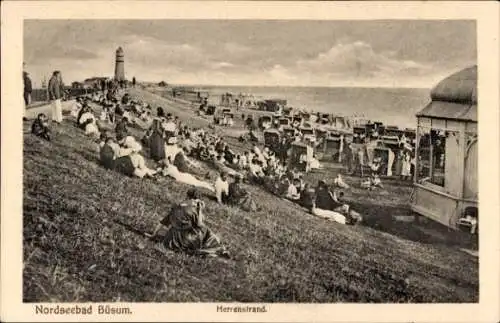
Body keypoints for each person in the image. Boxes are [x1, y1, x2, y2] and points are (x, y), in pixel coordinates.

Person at [147, 189, 229, 258]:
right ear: (196, 200)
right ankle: (219, 248)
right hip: (185, 240)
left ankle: (218, 247)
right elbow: (200, 224)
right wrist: (200, 210)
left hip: (170, 239)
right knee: (206, 230)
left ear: (187, 196)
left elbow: (162, 223)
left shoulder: (177, 206)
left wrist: (153, 235)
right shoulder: (194, 210)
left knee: (199, 230)